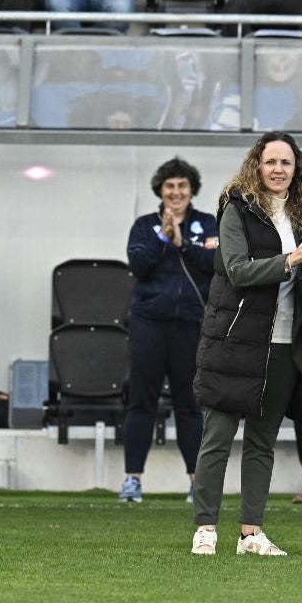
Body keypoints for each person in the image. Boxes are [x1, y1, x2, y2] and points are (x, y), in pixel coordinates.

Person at [190, 132, 302, 555]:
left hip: (285, 344)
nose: (278, 169)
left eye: (286, 162)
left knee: (262, 442)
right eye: (271, 162)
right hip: (236, 342)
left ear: (296, 169)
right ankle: (205, 528)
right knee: (218, 438)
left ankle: (251, 533)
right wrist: (290, 260)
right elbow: (237, 270)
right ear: (257, 166)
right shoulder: (237, 208)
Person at [121, 157, 216, 503]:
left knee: (189, 404)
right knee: (141, 402)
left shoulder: (207, 224)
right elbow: (138, 265)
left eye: (182, 186)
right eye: (170, 186)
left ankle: (196, 483)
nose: (176, 192)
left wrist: (183, 244)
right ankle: (132, 480)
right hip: (149, 322)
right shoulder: (145, 225)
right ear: (160, 191)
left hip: (191, 323)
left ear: (192, 190)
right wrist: (163, 236)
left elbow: (215, 264)